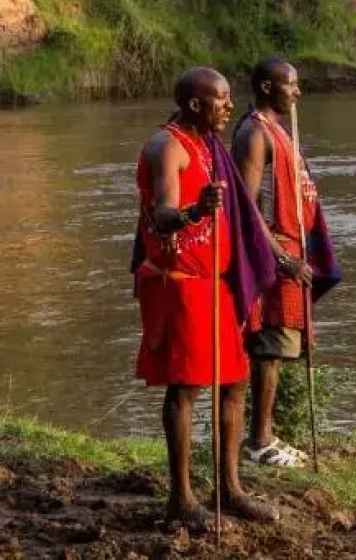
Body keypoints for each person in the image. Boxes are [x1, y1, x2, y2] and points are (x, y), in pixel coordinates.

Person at [132, 67, 281, 527]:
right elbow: (162, 213)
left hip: (215, 283)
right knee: (186, 387)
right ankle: (181, 498)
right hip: (180, 284)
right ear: (196, 104)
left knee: (234, 381)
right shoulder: (168, 146)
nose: (229, 106)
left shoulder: (209, 145)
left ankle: (230, 488)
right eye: (221, 99)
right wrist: (196, 211)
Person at [232, 58, 342, 468]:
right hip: (275, 255)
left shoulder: (278, 130)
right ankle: (258, 440)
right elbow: (245, 204)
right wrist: (281, 258)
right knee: (269, 348)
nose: (297, 92)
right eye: (290, 85)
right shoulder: (254, 134)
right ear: (265, 87)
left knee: (280, 347)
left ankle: (267, 434)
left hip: (292, 250)